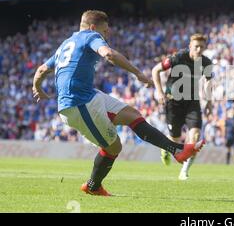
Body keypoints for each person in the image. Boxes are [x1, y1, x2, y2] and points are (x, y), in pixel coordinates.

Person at [32, 10, 204, 196]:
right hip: (78, 104)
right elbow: (109, 54)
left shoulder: (66, 44)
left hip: (88, 96)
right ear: (92, 28)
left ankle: (177, 150)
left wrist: (38, 88)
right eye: (105, 31)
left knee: (133, 115)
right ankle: (93, 186)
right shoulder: (91, 36)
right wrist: (137, 73)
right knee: (114, 147)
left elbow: (42, 70)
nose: (107, 34)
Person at [152, 33, 213, 180]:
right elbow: (156, 70)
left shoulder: (206, 63)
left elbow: (208, 80)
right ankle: (165, 147)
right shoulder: (178, 57)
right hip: (174, 102)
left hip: (192, 102)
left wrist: (209, 101)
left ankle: (184, 171)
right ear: (190, 46)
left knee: (196, 136)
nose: (198, 49)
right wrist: (159, 91)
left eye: (201, 47)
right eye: (196, 46)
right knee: (176, 140)